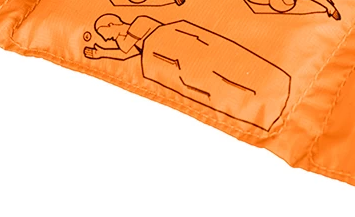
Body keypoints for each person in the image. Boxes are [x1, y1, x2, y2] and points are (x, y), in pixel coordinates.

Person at [85, 13, 291, 130]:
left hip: (179, 46)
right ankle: (264, 110)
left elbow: (126, 49)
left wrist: (103, 50)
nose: (106, 38)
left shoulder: (138, 23)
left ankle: (273, 89)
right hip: (169, 60)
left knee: (225, 67)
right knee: (209, 85)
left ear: (112, 23)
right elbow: (126, 54)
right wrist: (101, 54)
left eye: (105, 32)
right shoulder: (131, 41)